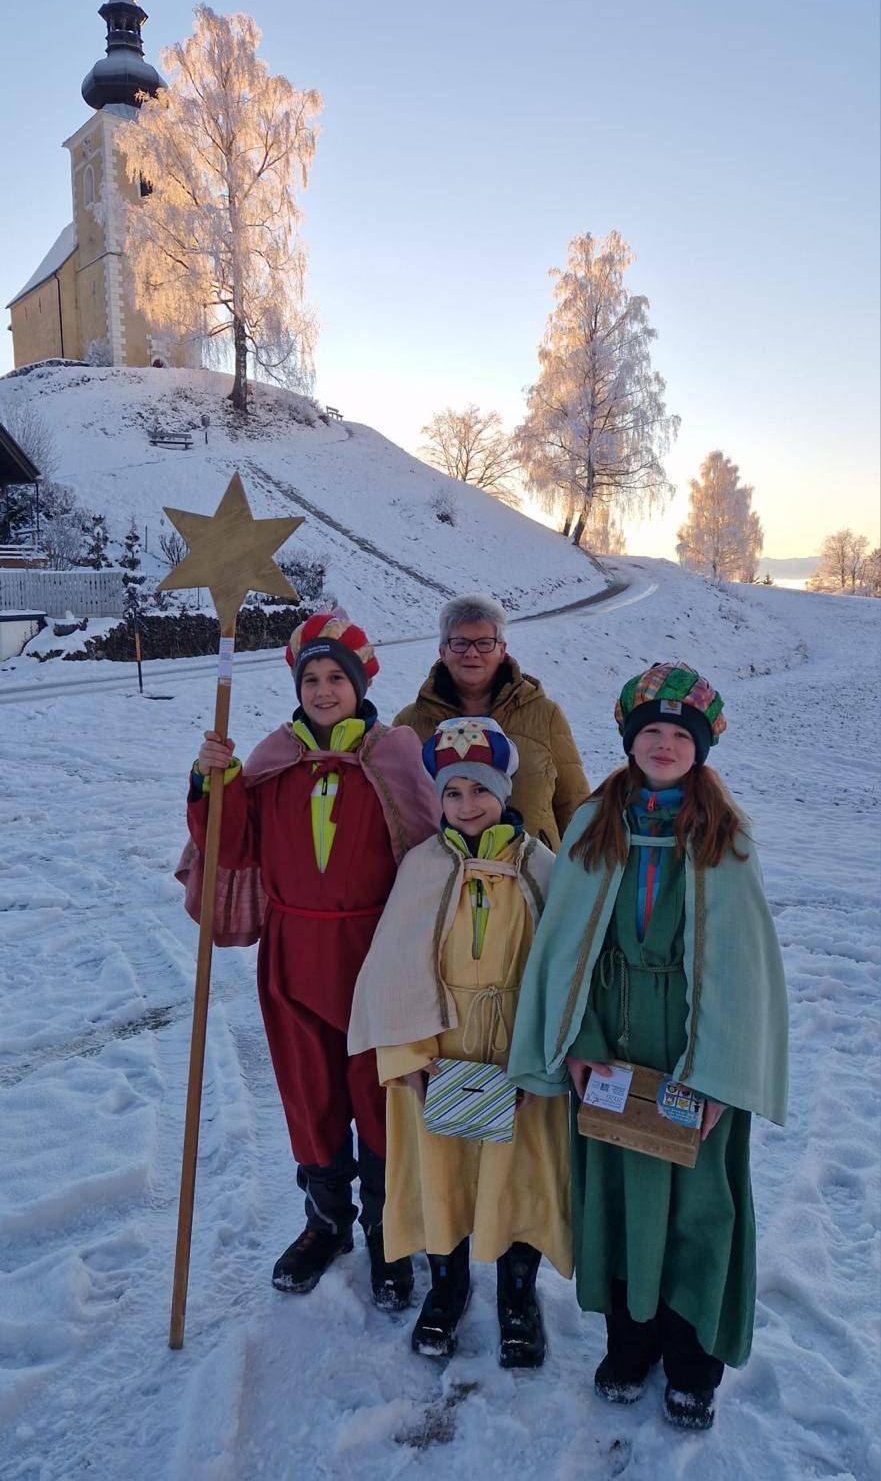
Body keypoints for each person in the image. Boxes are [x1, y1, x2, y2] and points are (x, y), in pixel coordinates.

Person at [507, 662, 788, 1431]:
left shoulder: (723, 840)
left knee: (699, 1207)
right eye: (650, 732)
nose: (663, 745)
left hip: (695, 1050)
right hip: (610, 1045)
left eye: (679, 734)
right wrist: (578, 1043)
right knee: (617, 1199)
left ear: (701, 747)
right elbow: (568, 947)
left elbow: (740, 971)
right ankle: (628, 1344)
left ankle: (691, 1360)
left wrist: (715, 1079)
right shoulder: (597, 821)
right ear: (629, 740)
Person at [176, 610, 440, 1309]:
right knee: (309, 1097)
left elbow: (427, 849)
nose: (323, 691)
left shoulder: (394, 756)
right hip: (293, 957)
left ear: (359, 684)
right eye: (312, 679)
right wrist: (216, 785)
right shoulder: (271, 761)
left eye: (336, 679)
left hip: (374, 959)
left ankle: (390, 1235)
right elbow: (234, 850)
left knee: (380, 1100)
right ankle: (325, 1225)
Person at [349, 718, 571, 1368]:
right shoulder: (423, 867)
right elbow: (391, 969)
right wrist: (407, 1060)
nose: (466, 805)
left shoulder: (538, 868)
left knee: (518, 1176)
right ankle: (446, 1290)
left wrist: (540, 1063)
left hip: (514, 1054)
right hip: (438, 1051)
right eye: (451, 793)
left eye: (479, 790)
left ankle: (517, 1300)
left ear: (503, 789)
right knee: (439, 1173)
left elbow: (561, 970)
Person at [393, 593, 588, 850]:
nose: (472, 653)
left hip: (534, 877)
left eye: (484, 643)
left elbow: (574, 805)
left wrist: (579, 877)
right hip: (443, 879)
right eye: (460, 643)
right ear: (443, 651)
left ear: (501, 649)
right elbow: (396, 808)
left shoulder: (545, 715)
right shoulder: (410, 723)